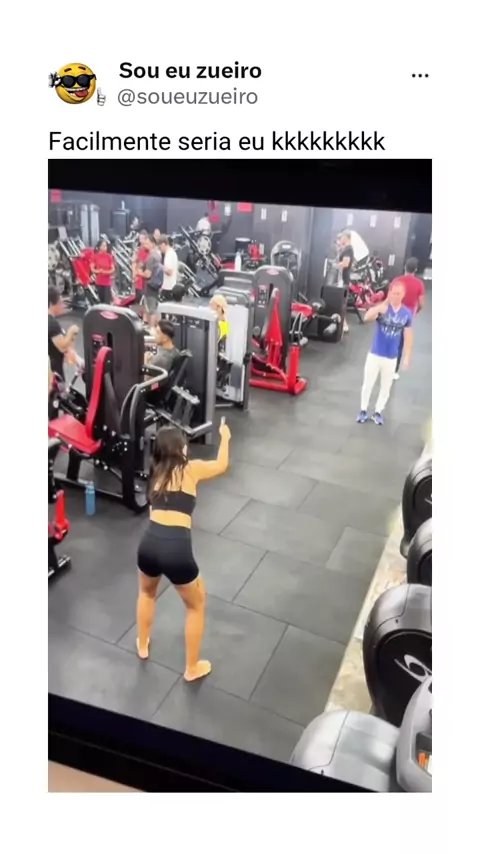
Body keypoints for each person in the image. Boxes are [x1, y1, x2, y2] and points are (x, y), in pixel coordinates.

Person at [136, 419, 231, 679]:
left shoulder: (155, 474)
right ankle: (192, 668)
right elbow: (221, 464)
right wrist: (225, 437)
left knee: (146, 593)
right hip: (175, 550)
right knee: (196, 605)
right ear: (180, 449)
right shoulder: (191, 469)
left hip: (148, 544)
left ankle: (142, 645)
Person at [356, 281, 413, 425]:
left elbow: (408, 335)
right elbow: (366, 317)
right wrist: (382, 305)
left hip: (391, 357)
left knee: (386, 387)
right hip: (375, 354)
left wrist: (407, 356)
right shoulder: (382, 309)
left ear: (403, 295)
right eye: (393, 293)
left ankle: (378, 412)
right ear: (390, 293)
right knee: (368, 384)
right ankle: (363, 410)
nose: (396, 296)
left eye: (398, 294)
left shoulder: (406, 314)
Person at [388, 257, 426, 379]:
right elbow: (421, 304)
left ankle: (384, 367)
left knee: (389, 339)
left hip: (393, 314)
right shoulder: (419, 284)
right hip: (406, 317)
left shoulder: (396, 281)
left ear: (405, 267)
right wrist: (415, 312)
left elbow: (389, 298)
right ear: (416, 269)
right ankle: (393, 371)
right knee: (399, 344)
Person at [48, 286, 80, 382]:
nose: (62, 306)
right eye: (60, 303)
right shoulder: (51, 323)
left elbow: (66, 350)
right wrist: (71, 331)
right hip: (54, 374)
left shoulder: (51, 322)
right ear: (51, 304)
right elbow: (62, 347)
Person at [136, 234, 164, 329]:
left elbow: (148, 274)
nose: (145, 245)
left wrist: (139, 272)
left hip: (150, 286)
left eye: (147, 244)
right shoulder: (158, 255)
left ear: (153, 244)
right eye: (144, 244)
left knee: (151, 310)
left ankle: (152, 329)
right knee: (153, 308)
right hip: (156, 285)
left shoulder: (151, 257)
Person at [336, 231, 355, 333]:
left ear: (346, 237)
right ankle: (344, 324)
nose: (340, 239)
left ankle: (344, 324)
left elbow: (345, 264)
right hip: (343, 279)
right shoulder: (347, 249)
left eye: (342, 237)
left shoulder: (348, 249)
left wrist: (334, 265)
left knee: (342, 303)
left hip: (343, 280)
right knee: (341, 303)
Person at [132, 230, 150, 319]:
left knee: (145, 298)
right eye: (140, 239)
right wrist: (134, 273)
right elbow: (134, 262)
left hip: (146, 278)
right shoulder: (138, 250)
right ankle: (140, 315)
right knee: (139, 298)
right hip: (139, 279)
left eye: (142, 239)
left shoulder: (150, 251)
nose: (141, 241)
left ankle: (145, 317)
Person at [91, 238, 115, 304]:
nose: (105, 247)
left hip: (107, 282)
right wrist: (98, 271)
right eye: (103, 246)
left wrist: (105, 272)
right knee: (101, 301)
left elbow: (113, 269)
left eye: (106, 246)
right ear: (99, 247)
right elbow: (92, 268)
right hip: (99, 282)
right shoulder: (95, 256)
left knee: (107, 301)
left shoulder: (109, 256)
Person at [158, 235, 178, 300]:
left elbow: (169, 272)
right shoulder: (171, 253)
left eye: (160, 247)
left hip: (168, 289)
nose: (160, 250)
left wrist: (159, 265)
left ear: (163, 244)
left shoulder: (169, 255)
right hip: (169, 287)